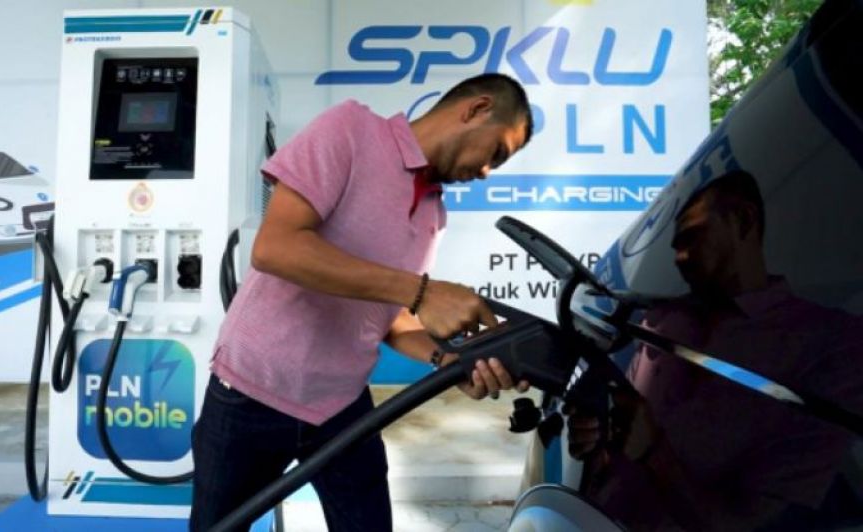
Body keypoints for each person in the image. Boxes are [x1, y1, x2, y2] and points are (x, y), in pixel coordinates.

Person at [190, 73, 534, 531]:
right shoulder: (351, 129)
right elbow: (275, 247)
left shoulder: (434, 213)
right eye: (497, 153)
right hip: (253, 391)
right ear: (476, 109)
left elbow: (389, 317)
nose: (488, 171)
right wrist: (422, 291)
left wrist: (450, 360)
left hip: (341, 404)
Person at [567, 170, 863, 530]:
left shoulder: (832, 344)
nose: (679, 258)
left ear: (744, 220)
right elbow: (617, 446)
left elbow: (746, 524)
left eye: (692, 237)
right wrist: (595, 441)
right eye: (675, 246)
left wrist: (652, 449)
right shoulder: (663, 321)